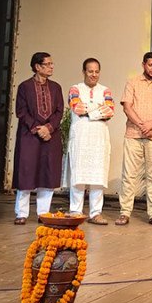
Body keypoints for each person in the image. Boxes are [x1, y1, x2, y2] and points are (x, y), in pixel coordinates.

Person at [115, 52, 152, 226]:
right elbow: (127, 107)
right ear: (143, 65)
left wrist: (151, 124)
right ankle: (125, 212)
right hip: (133, 134)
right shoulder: (132, 82)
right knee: (129, 175)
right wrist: (142, 125)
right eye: (150, 65)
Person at [13, 52, 64, 225]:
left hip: (51, 136)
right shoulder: (25, 87)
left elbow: (59, 111)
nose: (51, 67)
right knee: (26, 172)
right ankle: (21, 213)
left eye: (51, 64)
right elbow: (21, 111)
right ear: (37, 67)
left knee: (47, 173)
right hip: (30, 136)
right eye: (47, 64)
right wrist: (37, 128)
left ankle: (43, 213)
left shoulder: (56, 87)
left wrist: (48, 128)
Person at [66, 58, 114, 225]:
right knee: (78, 176)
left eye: (96, 71)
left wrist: (89, 110)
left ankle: (96, 213)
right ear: (84, 72)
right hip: (80, 138)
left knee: (97, 177)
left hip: (99, 139)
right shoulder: (75, 89)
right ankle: (75, 211)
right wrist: (97, 108)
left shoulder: (105, 90)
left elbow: (110, 111)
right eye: (90, 71)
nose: (94, 74)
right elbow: (77, 108)